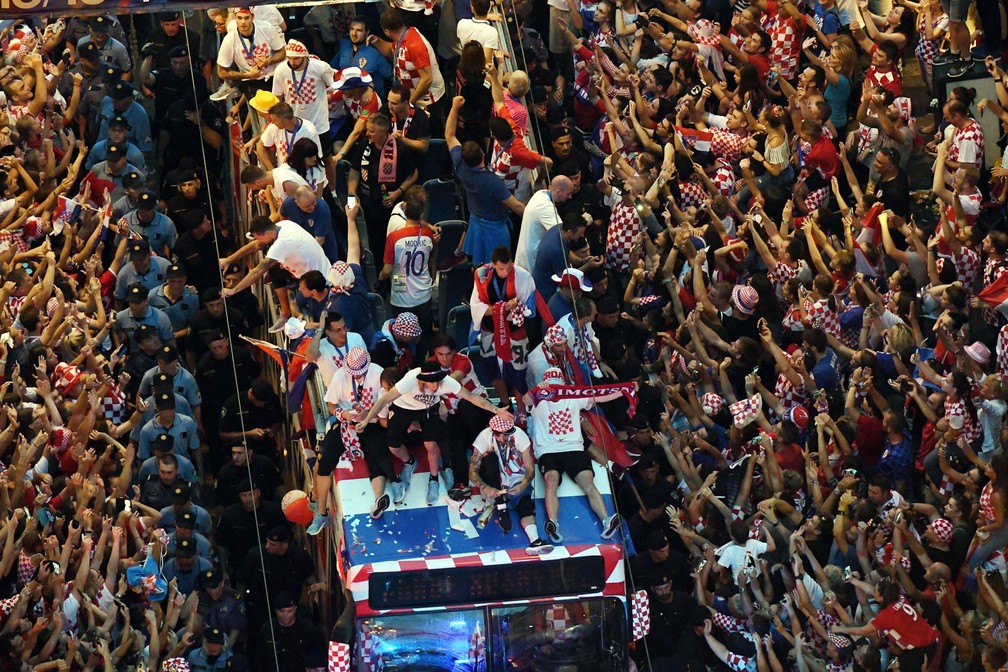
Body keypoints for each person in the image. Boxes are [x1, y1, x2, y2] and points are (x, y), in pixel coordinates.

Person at [355, 360, 514, 506]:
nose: (436, 387)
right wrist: (366, 420)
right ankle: (410, 462)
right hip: (403, 408)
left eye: (438, 382)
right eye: (432, 384)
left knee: (431, 443)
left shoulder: (445, 382)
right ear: (421, 380)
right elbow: (383, 400)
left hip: (427, 409)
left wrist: (496, 409)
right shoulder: (409, 381)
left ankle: (434, 478)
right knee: (393, 445)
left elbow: (471, 397)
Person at [523, 367, 625, 544]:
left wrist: (624, 391)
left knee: (587, 482)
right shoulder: (537, 398)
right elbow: (525, 400)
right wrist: (537, 390)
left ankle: (607, 520)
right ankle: (552, 523)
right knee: (551, 480)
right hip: (548, 451)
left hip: (574, 449)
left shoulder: (573, 397)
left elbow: (598, 396)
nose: (555, 392)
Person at [445, 96, 525, 265]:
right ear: (483, 154)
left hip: (476, 218)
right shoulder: (492, 182)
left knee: (479, 263)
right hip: (495, 229)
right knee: (498, 267)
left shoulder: (461, 166)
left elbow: (450, 135)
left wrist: (454, 108)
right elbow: (517, 206)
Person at [221, 216, 333, 333]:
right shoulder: (284, 224)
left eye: (259, 238)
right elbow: (255, 246)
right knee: (275, 270)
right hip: (311, 268)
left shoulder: (282, 243)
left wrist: (233, 290)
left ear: (268, 233)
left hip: (317, 279)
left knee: (319, 312)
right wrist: (229, 260)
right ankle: (285, 313)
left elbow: (258, 271)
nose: (259, 242)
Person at [470, 414, 553, 555]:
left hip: (515, 478)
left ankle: (535, 541)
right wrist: (485, 487)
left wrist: (524, 484)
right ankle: (501, 507)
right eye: (499, 435)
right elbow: (472, 473)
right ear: (492, 431)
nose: (502, 439)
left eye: (506, 435)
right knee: (489, 460)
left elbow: (530, 469)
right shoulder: (483, 437)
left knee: (525, 504)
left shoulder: (520, 436)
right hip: (494, 479)